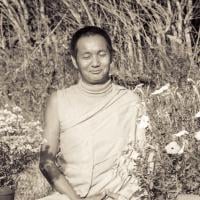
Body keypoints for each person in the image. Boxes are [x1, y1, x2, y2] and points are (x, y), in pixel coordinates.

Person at [39, 26, 147, 200]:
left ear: (112, 56)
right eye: (86, 56)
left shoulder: (130, 101)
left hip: (120, 195)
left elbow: (146, 157)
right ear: (75, 61)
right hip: (71, 195)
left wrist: (124, 194)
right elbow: (46, 161)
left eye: (102, 54)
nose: (95, 63)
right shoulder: (59, 100)